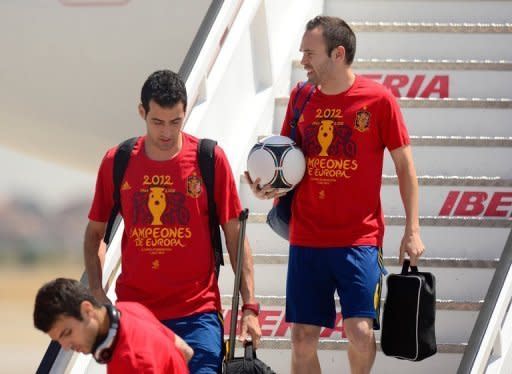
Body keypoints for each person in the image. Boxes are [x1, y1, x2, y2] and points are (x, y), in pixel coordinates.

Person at [246, 16, 425, 374]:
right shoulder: (301, 97)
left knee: (360, 333)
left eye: (310, 53)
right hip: (308, 237)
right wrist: (265, 186)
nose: (303, 61)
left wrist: (413, 229)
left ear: (338, 54)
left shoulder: (378, 100)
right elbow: (283, 159)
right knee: (301, 338)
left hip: (359, 239)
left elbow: (405, 166)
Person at [84, 70, 261, 373]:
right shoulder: (118, 161)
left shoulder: (209, 158)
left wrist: (250, 308)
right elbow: (95, 234)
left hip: (197, 315)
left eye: (175, 122)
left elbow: (235, 237)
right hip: (135, 316)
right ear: (142, 112)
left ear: (185, 112)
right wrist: (98, 292)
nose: (166, 132)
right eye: (157, 122)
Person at [33, 277, 192, 373]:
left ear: (87, 310)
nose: (66, 347)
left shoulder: (132, 362)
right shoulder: (130, 309)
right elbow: (185, 350)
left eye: (67, 333)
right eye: (59, 341)